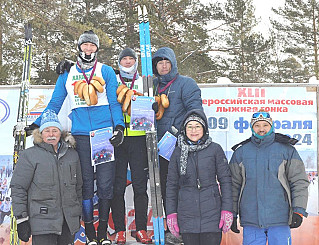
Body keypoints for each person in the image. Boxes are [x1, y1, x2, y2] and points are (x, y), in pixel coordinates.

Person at [27, 30, 125, 245]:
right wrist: (36, 124)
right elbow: (55, 104)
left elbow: (115, 103)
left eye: (92, 46)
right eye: (85, 45)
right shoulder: (68, 73)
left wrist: (119, 126)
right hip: (80, 136)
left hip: (103, 135)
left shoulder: (106, 71)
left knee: (106, 184)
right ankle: (90, 231)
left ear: (97, 49)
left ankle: (102, 234)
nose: (88, 49)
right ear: (79, 47)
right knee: (86, 184)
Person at [229, 109, 309, 245]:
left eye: (265, 125)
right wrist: (232, 213)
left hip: (280, 218)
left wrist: (299, 210)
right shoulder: (241, 152)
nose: (261, 129)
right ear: (251, 127)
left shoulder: (287, 150)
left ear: (271, 126)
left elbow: (299, 181)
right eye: (257, 125)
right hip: (251, 219)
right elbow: (233, 186)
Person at [152, 47, 203, 242]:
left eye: (167, 62)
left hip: (180, 146)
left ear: (173, 63)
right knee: (165, 189)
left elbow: (195, 112)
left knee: (184, 187)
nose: (164, 66)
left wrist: (177, 131)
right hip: (157, 149)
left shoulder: (186, 84)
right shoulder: (152, 85)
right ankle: (171, 228)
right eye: (160, 62)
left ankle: (187, 228)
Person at [10, 109, 82, 245]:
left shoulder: (72, 155)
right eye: (47, 131)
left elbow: (78, 187)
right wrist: (21, 219)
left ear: (60, 133)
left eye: (55, 130)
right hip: (42, 223)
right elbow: (18, 188)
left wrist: (76, 213)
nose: (51, 134)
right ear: (40, 134)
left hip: (68, 223)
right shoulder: (29, 156)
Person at [166, 109, 233, 245]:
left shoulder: (215, 149)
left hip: (212, 216)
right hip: (187, 217)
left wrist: (227, 209)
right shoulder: (178, 152)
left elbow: (226, 181)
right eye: (189, 127)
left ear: (204, 129)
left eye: (197, 126)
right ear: (184, 130)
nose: (193, 131)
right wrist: (171, 213)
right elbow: (171, 185)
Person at [110, 48, 152, 244]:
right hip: (118, 138)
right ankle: (119, 230)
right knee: (117, 186)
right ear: (119, 62)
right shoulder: (113, 78)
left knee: (140, 185)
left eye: (131, 59)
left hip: (138, 137)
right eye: (124, 59)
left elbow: (153, 104)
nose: (127, 62)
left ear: (136, 61)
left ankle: (141, 228)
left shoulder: (144, 80)